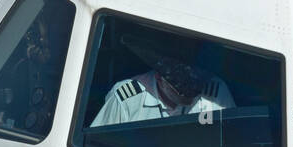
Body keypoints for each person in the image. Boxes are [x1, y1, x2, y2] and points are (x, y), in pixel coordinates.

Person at [91, 55, 234, 126]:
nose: (191, 89)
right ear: (159, 77)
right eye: (181, 85)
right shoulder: (127, 98)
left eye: (196, 82)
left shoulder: (215, 92)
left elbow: (231, 142)